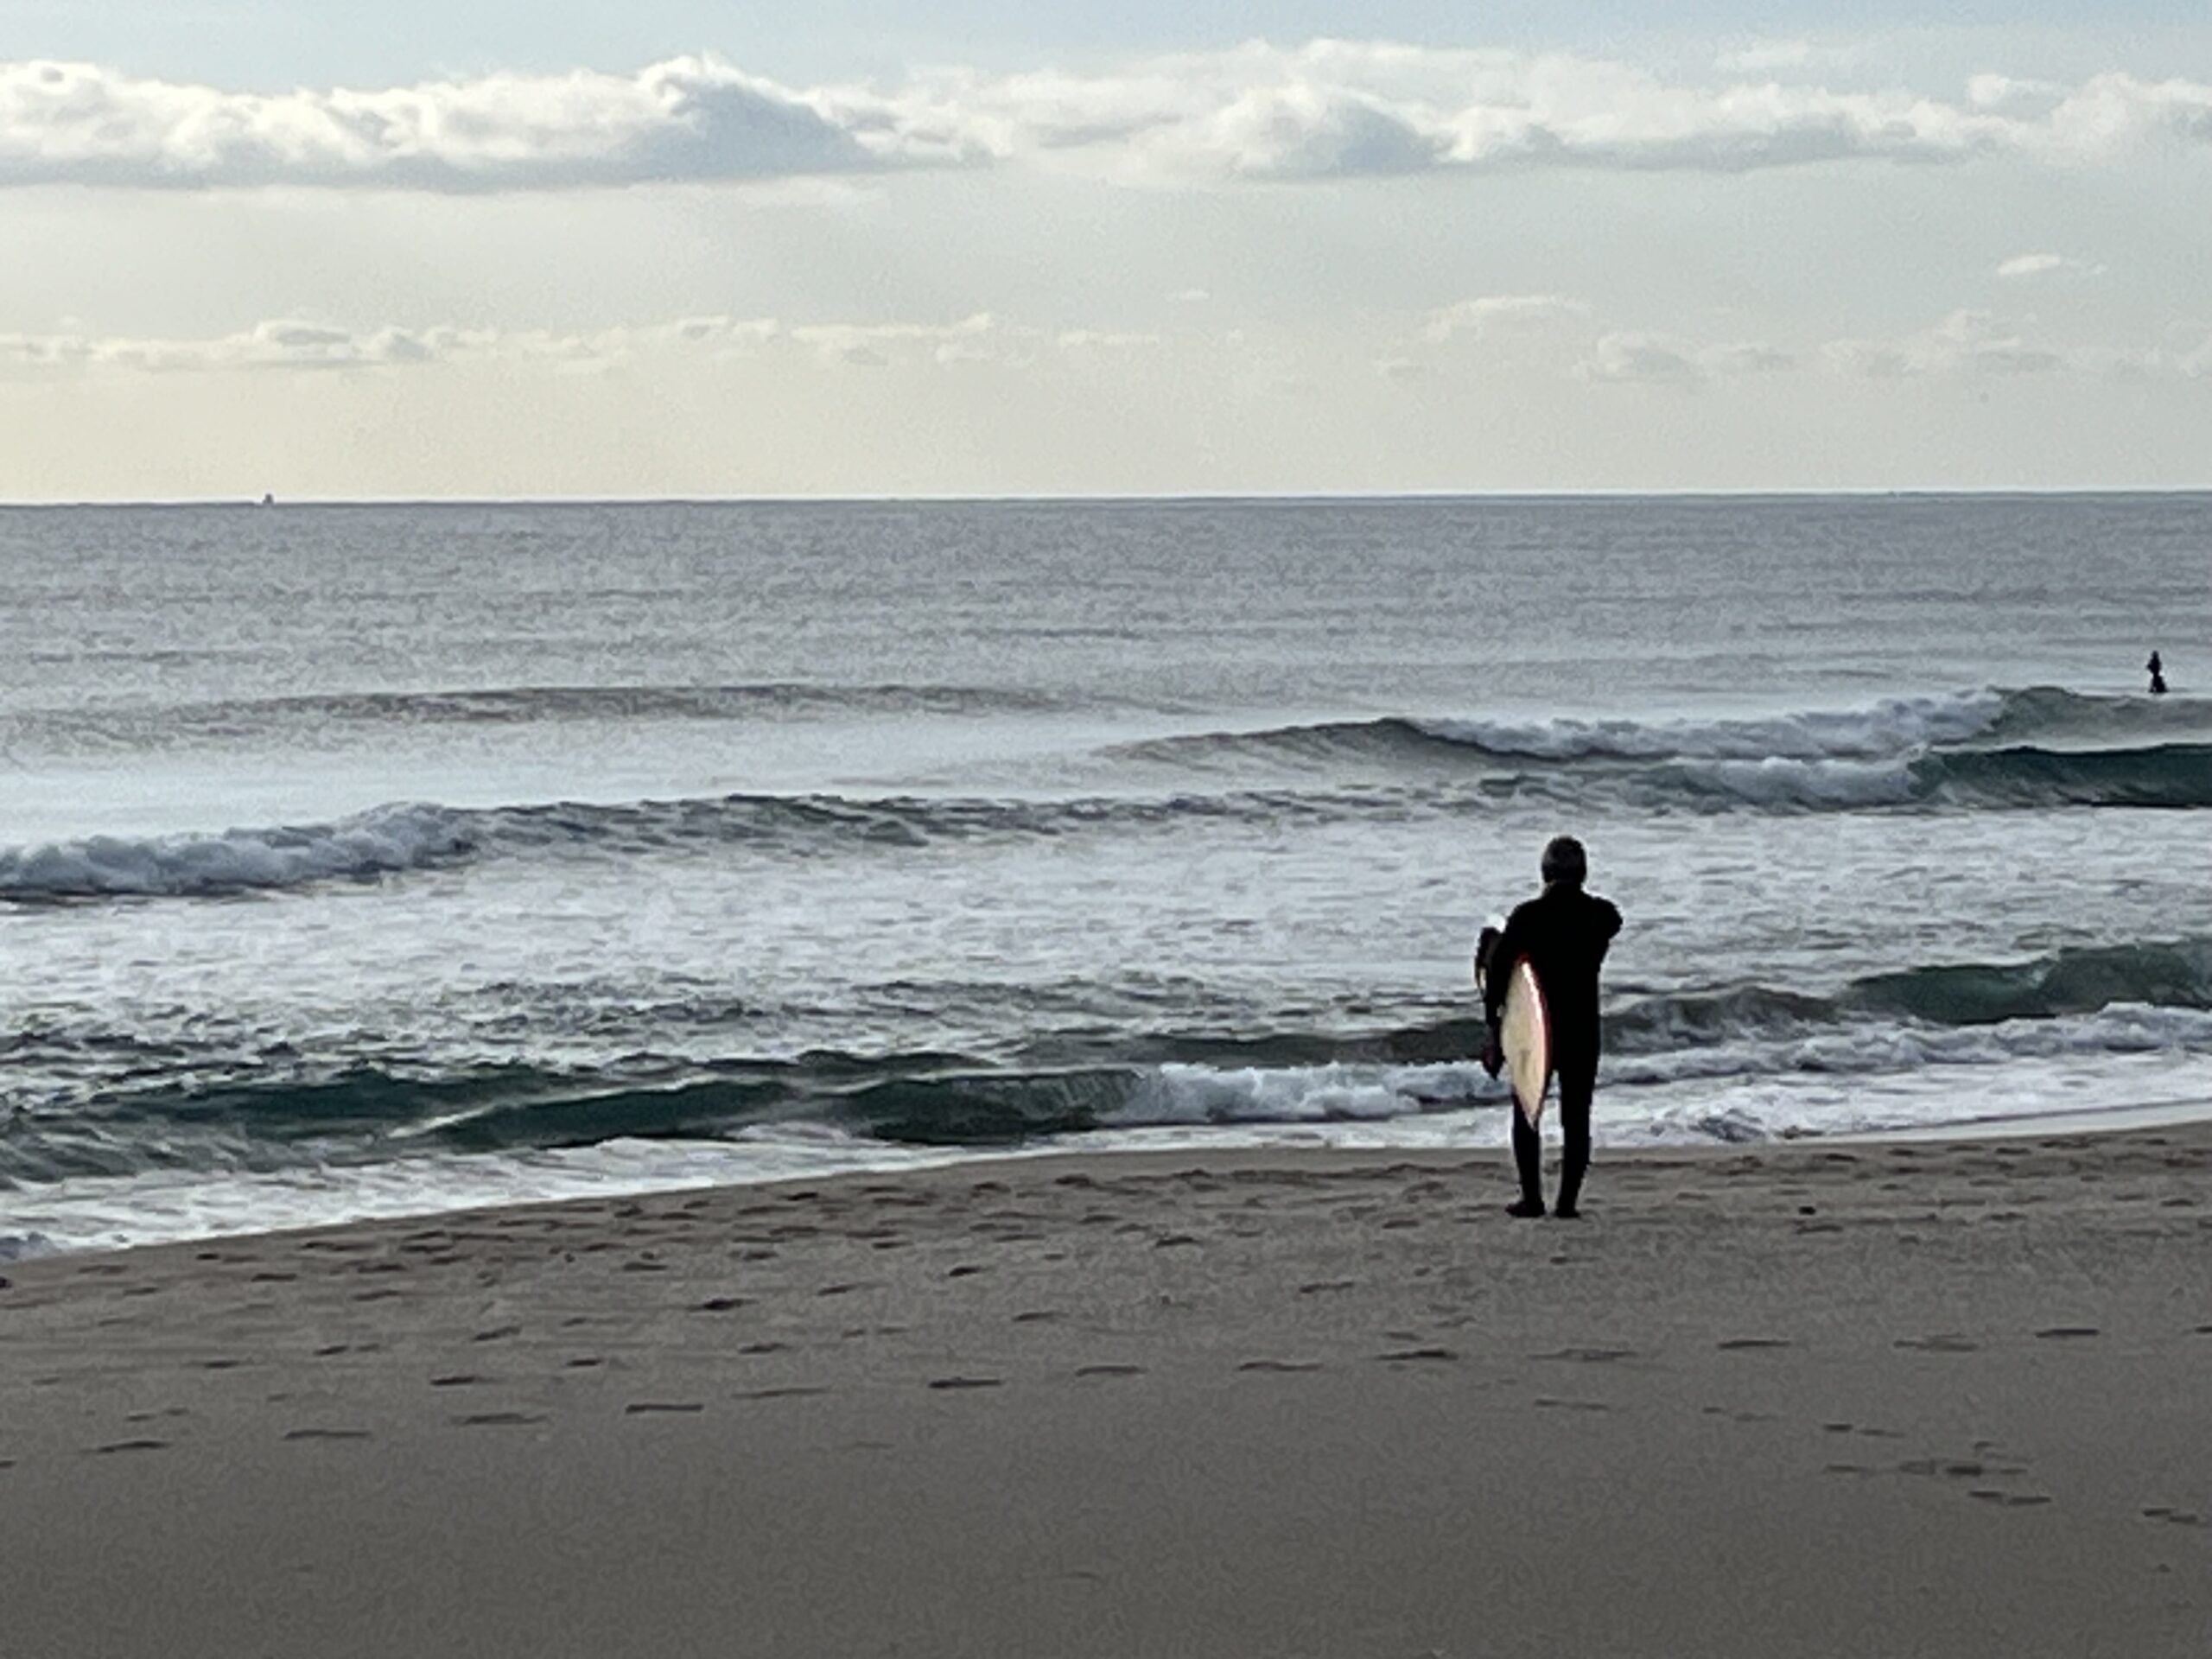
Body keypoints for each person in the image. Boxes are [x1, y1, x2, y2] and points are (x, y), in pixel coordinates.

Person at [1480, 836, 1622, 1219]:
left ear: (1544, 872)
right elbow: (1613, 920)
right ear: (1583, 872)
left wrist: (1493, 1028)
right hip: (1582, 1028)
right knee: (1577, 1117)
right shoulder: (1600, 917)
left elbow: (1497, 977)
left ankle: (1532, 1198)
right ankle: (1567, 1204)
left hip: (1536, 1029)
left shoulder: (1528, 917)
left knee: (1527, 1112)